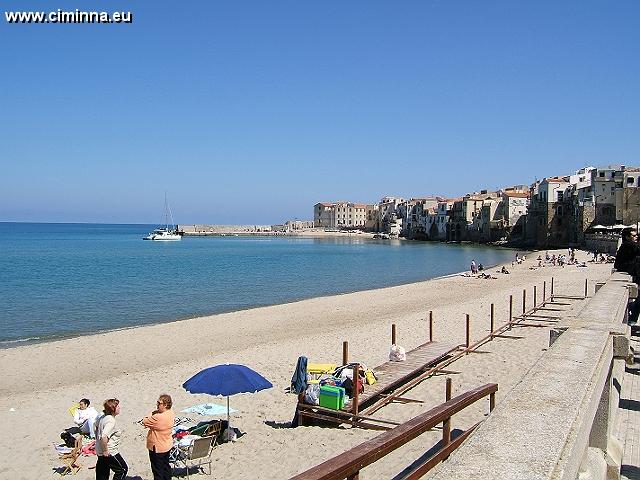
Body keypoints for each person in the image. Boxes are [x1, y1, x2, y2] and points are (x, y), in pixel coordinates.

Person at [143, 394, 175, 480]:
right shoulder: (171, 413)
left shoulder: (158, 417)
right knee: (166, 467)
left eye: (159, 403)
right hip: (167, 445)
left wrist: (152, 413)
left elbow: (145, 421)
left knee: (157, 471)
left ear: (165, 405)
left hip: (157, 447)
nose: (157, 404)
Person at [95, 398, 128, 480]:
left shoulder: (102, 417)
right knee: (122, 469)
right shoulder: (111, 421)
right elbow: (103, 436)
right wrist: (105, 450)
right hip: (110, 451)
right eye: (117, 406)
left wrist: (98, 441)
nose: (119, 408)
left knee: (103, 472)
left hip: (99, 450)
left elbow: (95, 426)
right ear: (113, 409)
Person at [614, 228, 640, 323]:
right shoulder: (629, 245)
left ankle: (633, 313)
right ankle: (633, 315)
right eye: (634, 235)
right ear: (627, 237)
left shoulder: (627, 245)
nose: (636, 237)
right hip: (631, 271)